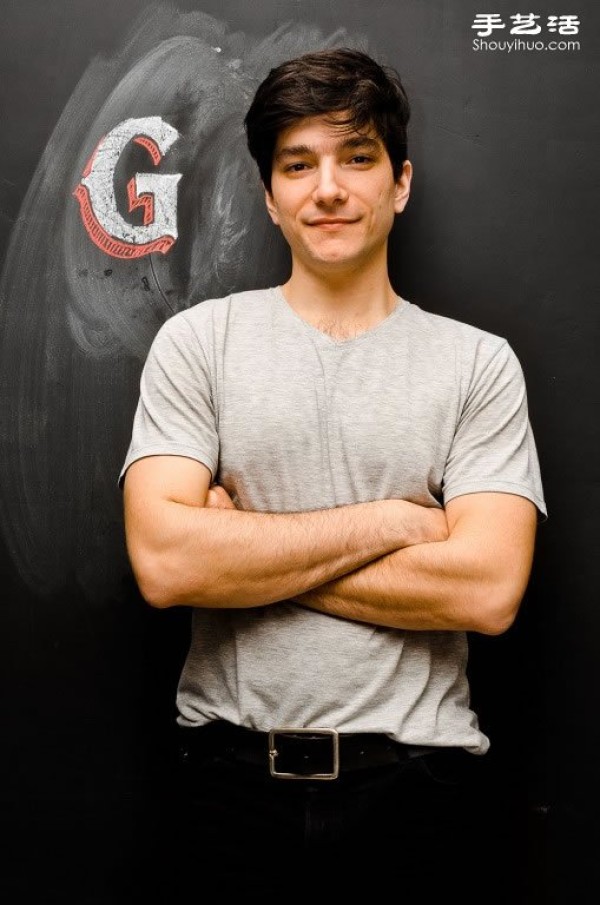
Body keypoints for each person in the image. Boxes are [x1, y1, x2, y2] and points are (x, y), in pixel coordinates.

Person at [120, 47, 546, 900]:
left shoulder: (478, 364)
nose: (328, 188)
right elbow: (167, 566)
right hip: (226, 781)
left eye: (357, 157)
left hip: (422, 788)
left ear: (401, 182)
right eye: (298, 163)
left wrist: (240, 548)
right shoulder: (199, 345)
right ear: (270, 196)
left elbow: (489, 589)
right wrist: (393, 522)